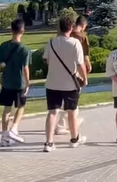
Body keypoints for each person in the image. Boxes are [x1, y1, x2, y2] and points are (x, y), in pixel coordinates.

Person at [43, 14, 87, 152]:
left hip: (52, 82)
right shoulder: (75, 43)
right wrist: (84, 78)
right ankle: (74, 139)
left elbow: (47, 60)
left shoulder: (51, 43)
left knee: (52, 112)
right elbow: (80, 64)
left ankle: (49, 142)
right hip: (70, 83)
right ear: (71, 27)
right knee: (71, 112)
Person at [0, 18, 31, 146]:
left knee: (6, 108)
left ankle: (4, 135)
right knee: (21, 106)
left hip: (7, 82)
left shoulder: (3, 46)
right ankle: (14, 128)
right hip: (19, 82)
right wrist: (28, 82)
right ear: (23, 30)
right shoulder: (24, 49)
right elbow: (26, 68)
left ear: (11, 29)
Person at [56, 15, 92, 135]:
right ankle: (71, 125)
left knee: (62, 99)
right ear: (83, 26)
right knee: (73, 99)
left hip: (61, 70)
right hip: (75, 71)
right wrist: (88, 67)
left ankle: (62, 123)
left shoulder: (65, 34)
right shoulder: (82, 38)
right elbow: (85, 57)